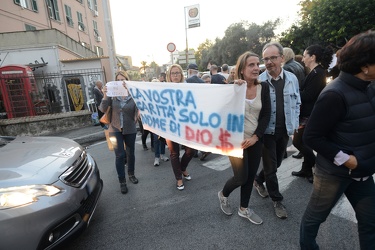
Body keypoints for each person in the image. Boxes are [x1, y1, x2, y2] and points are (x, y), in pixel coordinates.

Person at [300, 30, 375, 250]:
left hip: (363, 173)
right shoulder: (334, 94)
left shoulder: (369, 87)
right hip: (335, 174)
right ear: (364, 67)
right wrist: (347, 160)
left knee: (370, 225)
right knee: (313, 221)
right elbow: (311, 137)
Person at [218, 51, 271, 224]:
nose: (256, 68)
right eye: (251, 65)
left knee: (250, 177)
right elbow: (220, 109)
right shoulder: (233, 88)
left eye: (257, 64)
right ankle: (223, 194)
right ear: (241, 69)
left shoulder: (264, 88)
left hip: (254, 140)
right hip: (234, 141)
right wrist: (233, 88)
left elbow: (265, 115)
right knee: (241, 177)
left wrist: (256, 137)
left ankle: (244, 208)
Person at [253, 42, 301, 219]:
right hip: (266, 132)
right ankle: (277, 200)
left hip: (285, 130)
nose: (269, 62)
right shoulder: (258, 81)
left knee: (277, 162)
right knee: (272, 168)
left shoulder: (292, 78)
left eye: (273, 58)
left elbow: (297, 102)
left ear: (282, 58)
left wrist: (295, 124)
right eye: (266, 59)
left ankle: (258, 180)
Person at [291, 44, 333, 183]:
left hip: (310, 113)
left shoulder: (318, 73)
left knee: (298, 141)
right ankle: (306, 169)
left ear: (312, 57)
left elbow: (309, 95)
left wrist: (293, 91)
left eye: (304, 56)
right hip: (309, 113)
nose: (302, 59)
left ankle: (316, 166)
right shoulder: (316, 72)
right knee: (304, 141)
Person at [99, 70, 139, 194]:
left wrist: (139, 114)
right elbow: (102, 109)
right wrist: (105, 95)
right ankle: (122, 181)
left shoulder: (133, 94)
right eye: (118, 80)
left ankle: (131, 173)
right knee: (119, 155)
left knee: (130, 153)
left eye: (123, 79)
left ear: (126, 81)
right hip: (114, 129)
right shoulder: (112, 94)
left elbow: (138, 109)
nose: (121, 82)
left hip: (130, 129)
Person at [165, 64, 197, 190]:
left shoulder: (188, 87)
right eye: (173, 73)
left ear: (182, 74)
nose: (176, 75)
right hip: (170, 126)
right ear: (169, 75)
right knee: (174, 153)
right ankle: (179, 178)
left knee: (191, 150)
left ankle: (183, 168)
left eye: (178, 72)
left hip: (187, 125)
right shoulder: (162, 88)